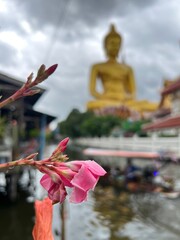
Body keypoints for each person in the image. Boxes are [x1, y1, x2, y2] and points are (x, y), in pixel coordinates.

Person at [87, 24, 158, 114]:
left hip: (125, 100)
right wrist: (107, 97)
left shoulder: (128, 68)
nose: (115, 47)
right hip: (107, 99)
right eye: (112, 43)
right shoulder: (97, 67)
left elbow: (133, 93)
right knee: (91, 105)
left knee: (154, 105)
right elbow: (93, 91)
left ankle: (125, 109)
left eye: (118, 44)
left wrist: (126, 98)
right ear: (105, 45)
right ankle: (125, 110)